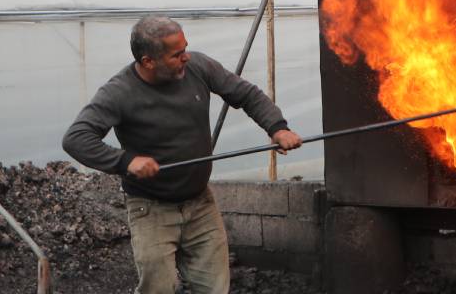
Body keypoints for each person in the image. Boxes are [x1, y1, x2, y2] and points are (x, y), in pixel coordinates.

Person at [62, 15, 302, 294]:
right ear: (148, 60)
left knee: (214, 288)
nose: (186, 57)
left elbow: (245, 94)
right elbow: (76, 138)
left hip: (200, 204)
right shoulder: (119, 92)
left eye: (185, 48)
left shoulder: (198, 66)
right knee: (158, 288)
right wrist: (126, 161)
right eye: (177, 54)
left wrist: (277, 128)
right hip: (151, 208)